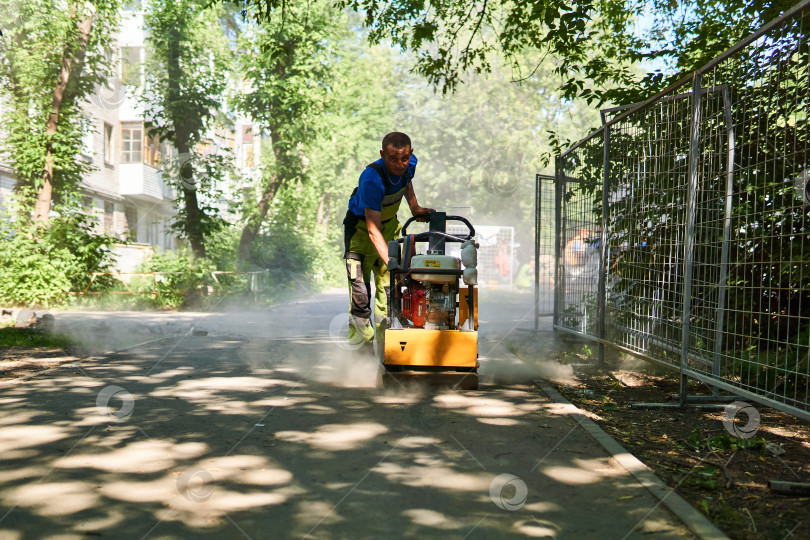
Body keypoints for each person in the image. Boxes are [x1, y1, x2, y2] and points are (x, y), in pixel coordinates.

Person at [343, 132, 434, 347]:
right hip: (362, 235)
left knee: (390, 296)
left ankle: (389, 351)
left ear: (410, 154)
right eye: (392, 158)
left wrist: (414, 207)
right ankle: (361, 357)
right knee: (360, 299)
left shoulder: (409, 163)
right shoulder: (371, 179)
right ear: (382, 155)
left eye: (403, 158)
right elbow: (373, 229)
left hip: (389, 229)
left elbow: (406, 181)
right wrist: (396, 266)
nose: (399, 164)